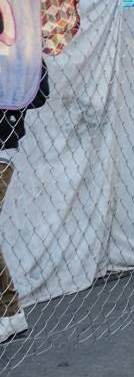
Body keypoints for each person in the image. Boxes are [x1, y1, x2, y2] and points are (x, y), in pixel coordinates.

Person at [1, 62, 48, 344]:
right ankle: (11, 311)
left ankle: (10, 309)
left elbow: (40, 94)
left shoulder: (19, 45)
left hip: (2, 145)